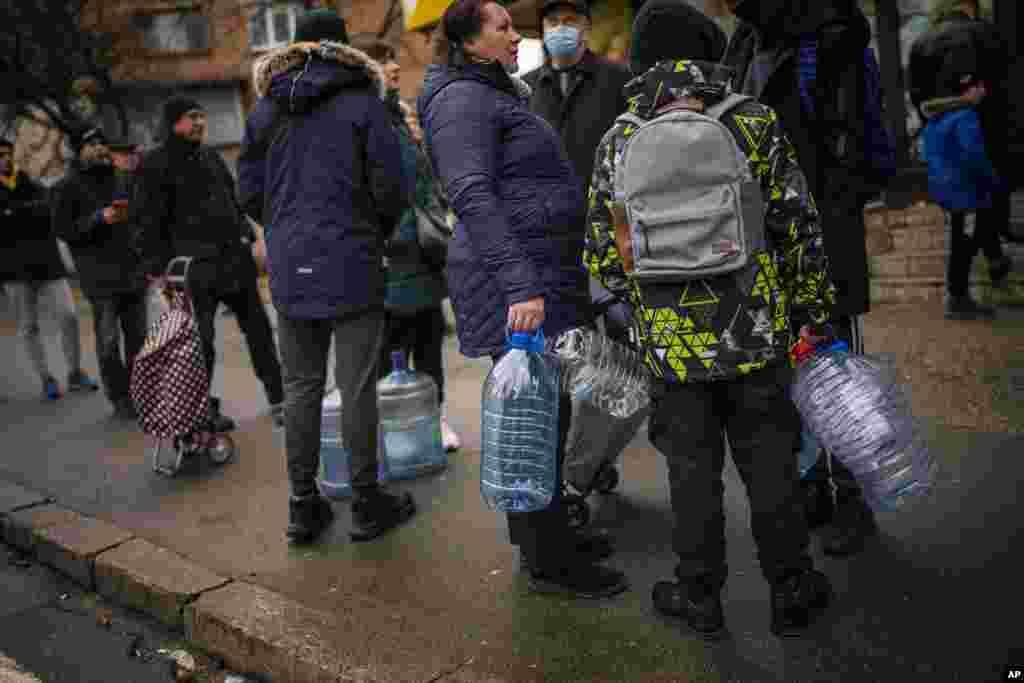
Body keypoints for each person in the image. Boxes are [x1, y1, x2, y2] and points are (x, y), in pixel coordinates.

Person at [586, 0, 832, 637]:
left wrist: (647, 301)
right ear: (711, 53)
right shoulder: (752, 121)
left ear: (639, 61)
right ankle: (792, 589)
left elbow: (603, 258)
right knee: (772, 464)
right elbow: (797, 226)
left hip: (671, 348)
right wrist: (810, 310)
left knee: (689, 473)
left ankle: (699, 595)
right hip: (756, 334)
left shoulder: (621, 138)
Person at [419, 0, 625, 599]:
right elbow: (472, 195)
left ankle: (551, 535)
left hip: (541, 271)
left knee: (550, 414)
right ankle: (548, 563)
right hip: (517, 282)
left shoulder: (491, 91)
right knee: (535, 422)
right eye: (503, 26)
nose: (519, 36)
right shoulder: (461, 100)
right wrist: (521, 285)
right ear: (467, 41)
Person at [238, 9, 417, 545]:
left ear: (293, 47)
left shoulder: (267, 108)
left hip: (293, 261)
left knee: (300, 388)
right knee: (357, 384)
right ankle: (366, 502)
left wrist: (287, 229)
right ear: (346, 48)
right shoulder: (365, 103)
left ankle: (303, 506)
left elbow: (247, 190)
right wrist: (370, 230)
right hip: (354, 255)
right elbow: (393, 187)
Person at [723, 0, 891, 557]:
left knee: (838, 369)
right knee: (787, 369)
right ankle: (813, 484)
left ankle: (853, 496)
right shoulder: (746, 41)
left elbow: (868, 145)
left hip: (823, 230)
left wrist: (830, 208)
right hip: (765, 236)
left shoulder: (834, 38)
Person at [133, 96, 285, 433]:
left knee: (260, 334)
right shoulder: (154, 164)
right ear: (174, 123)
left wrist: (247, 233)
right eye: (192, 117)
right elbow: (147, 221)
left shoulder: (211, 156)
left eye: (202, 116)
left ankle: (279, 399)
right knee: (200, 344)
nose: (200, 123)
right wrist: (158, 271)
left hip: (235, 261)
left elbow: (231, 199)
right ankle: (201, 414)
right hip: (194, 270)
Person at [349, 34, 462, 452]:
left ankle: (435, 420)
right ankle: (392, 430)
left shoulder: (400, 116)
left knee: (428, 343)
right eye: (381, 60)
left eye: (392, 58)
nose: (393, 67)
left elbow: (426, 181)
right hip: (387, 255)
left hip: (423, 251)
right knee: (387, 350)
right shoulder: (361, 121)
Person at [522, 0, 634, 345]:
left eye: (569, 21)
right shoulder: (526, 89)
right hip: (552, 237)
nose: (560, 29)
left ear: (586, 27)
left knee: (620, 338)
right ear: (542, 30)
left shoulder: (619, 80)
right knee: (563, 344)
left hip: (609, 230)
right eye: (552, 22)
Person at [52, 128, 146, 420]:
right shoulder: (67, 186)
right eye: (91, 143)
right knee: (108, 342)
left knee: (139, 341)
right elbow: (64, 230)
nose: (99, 148)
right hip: (100, 279)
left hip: (131, 272)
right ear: (79, 151)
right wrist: (97, 218)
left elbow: (140, 217)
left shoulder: (121, 178)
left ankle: (138, 394)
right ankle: (119, 397)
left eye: (102, 142)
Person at [1, 135, 98, 401]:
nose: (6, 159)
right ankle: (46, 379)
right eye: (1, 156)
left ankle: (75, 372)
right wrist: (24, 214)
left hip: (48, 264)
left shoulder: (29, 182)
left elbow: (49, 212)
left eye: (8, 153)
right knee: (28, 327)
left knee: (68, 315)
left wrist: (13, 214)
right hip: (13, 272)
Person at [922, 76, 1005, 320]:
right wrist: (992, 180)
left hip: (947, 191)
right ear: (968, 92)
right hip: (966, 192)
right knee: (964, 245)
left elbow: (929, 155)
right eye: (979, 87)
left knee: (964, 240)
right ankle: (959, 299)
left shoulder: (936, 119)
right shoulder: (966, 116)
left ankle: (993, 264)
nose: (983, 91)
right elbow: (974, 155)